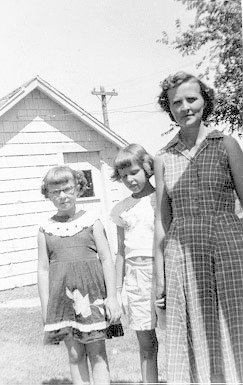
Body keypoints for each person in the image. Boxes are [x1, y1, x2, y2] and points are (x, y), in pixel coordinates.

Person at [154, 71, 243, 383]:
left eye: (191, 99)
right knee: (193, 329)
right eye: (176, 102)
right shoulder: (163, 156)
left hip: (228, 247)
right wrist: (159, 277)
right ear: (169, 108)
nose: (185, 107)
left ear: (205, 102)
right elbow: (161, 221)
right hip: (182, 254)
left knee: (233, 326)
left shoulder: (227, 145)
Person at [37, 165, 123, 385]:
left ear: (78, 188)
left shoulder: (92, 221)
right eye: (56, 191)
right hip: (63, 302)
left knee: (97, 353)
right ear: (48, 194)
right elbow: (43, 270)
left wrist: (112, 297)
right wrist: (47, 308)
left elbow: (106, 259)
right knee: (75, 355)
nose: (62, 196)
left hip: (92, 298)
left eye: (67, 189)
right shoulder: (45, 229)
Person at [110, 144, 159, 383]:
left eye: (134, 172)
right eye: (123, 176)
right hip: (135, 278)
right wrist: (116, 292)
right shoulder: (121, 209)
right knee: (146, 341)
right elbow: (120, 252)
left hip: (163, 272)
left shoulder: (161, 199)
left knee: (180, 334)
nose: (129, 180)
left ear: (147, 168)